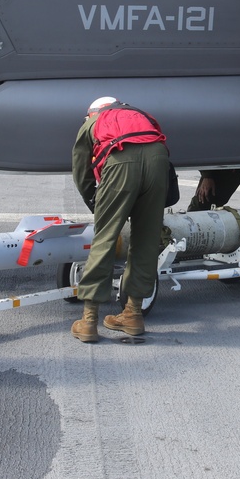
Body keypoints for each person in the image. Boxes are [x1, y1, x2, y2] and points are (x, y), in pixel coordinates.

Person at [70, 96, 171, 343]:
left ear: (92, 112)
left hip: (121, 161)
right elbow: (157, 142)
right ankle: (133, 314)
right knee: (146, 239)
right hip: (159, 163)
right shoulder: (140, 114)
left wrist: (94, 201)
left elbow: (81, 169)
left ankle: (89, 321)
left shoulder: (94, 120)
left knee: (105, 238)